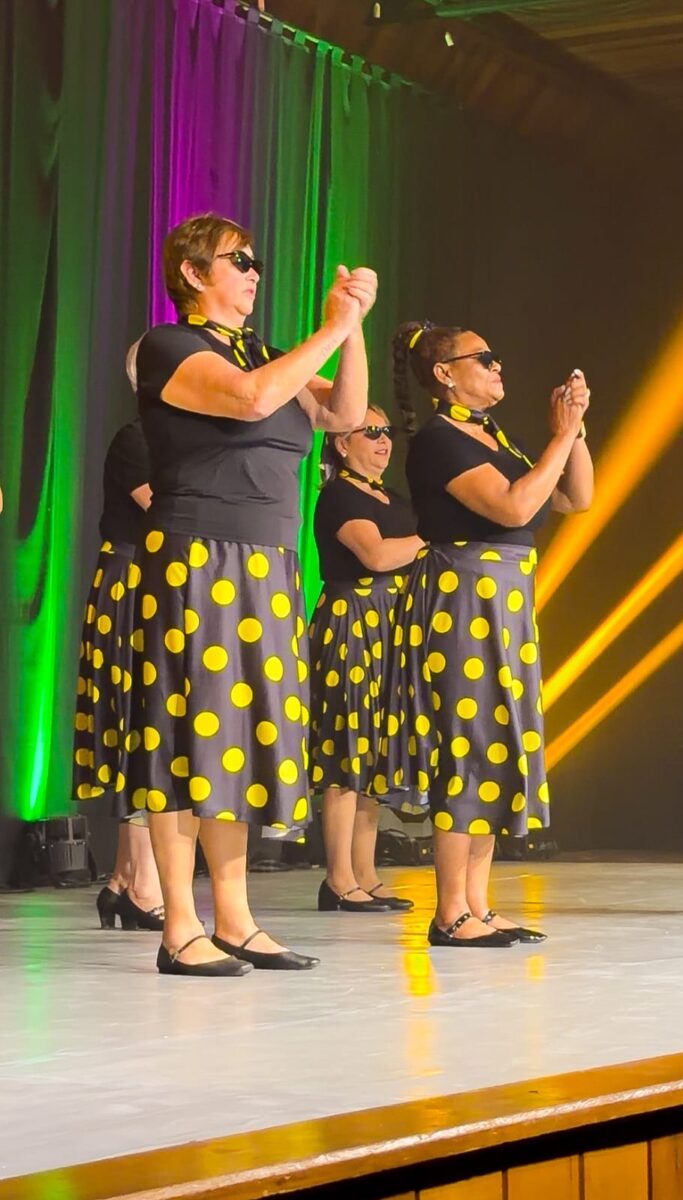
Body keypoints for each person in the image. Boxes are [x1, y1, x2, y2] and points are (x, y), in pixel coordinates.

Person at [130, 212, 377, 976]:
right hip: (198, 556)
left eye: (256, 260)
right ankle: (180, 925)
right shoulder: (173, 346)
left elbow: (343, 416)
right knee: (186, 742)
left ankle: (234, 918)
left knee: (232, 743)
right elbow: (248, 399)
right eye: (239, 260)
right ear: (195, 274)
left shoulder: (269, 351)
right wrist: (331, 328)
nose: (255, 272)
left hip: (267, 564)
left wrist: (354, 324)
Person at [375, 321, 594, 946]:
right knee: (467, 745)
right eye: (485, 358)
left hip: (505, 601)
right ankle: (450, 912)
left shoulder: (497, 437)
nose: (500, 367)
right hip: (461, 599)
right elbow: (517, 507)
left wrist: (573, 432)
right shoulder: (441, 442)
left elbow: (576, 498)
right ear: (445, 374)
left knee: (497, 743)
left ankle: (477, 904)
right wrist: (560, 435)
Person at [309, 405, 425, 913]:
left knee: (375, 755)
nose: (383, 441)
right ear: (340, 443)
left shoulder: (393, 498)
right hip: (352, 623)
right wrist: (431, 536)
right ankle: (337, 878)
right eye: (370, 432)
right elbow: (376, 556)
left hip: (392, 627)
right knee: (346, 750)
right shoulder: (338, 495)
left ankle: (365, 872)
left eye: (386, 432)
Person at [73, 340, 166, 931]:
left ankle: (126, 883)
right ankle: (137, 884)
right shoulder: (139, 440)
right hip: (134, 582)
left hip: (166, 582)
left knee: (155, 728)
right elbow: (171, 511)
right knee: (137, 722)